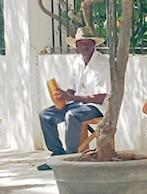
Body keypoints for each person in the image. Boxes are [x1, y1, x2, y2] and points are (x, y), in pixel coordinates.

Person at [37, 27, 111, 171]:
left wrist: (71, 97)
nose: (85, 46)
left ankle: (70, 157)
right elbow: (72, 88)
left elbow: (100, 97)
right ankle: (57, 154)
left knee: (72, 115)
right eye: (81, 43)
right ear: (76, 46)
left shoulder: (103, 63)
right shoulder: (77, 62)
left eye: (88, 43)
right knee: (45, 115)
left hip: (96, 107)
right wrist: (62, 94)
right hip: (77, 103)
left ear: (93, 44)